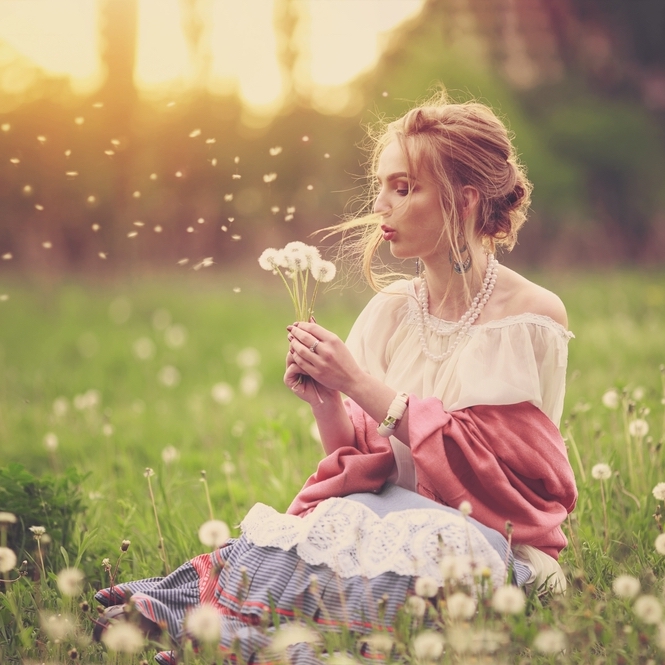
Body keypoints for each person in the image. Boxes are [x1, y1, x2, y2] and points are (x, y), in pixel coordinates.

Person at [94, 93, 577, 664]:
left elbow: (494, 477)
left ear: (465, 200)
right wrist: (329, 402)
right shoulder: (393, 309)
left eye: (404, 188)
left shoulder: (527, 317)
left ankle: (246, 641)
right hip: (388, 509)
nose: (382, 206)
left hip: (484, 537)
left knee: (397, 570)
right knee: (312, 533)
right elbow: (370, 459)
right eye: (381, 187)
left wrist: (359, 384)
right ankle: (200, 621)